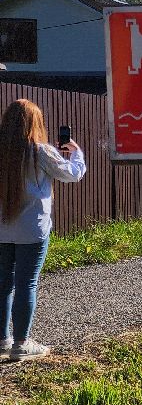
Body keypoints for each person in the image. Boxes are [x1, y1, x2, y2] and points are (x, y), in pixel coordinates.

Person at [0, 99, 86, 360]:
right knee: (27, 282)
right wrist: (76, 151)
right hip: (33, 230)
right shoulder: (41, 152)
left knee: (3, 284)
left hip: (2, 230)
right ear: (35, 123)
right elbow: (72, 174)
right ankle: (22, 343)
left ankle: (3, 339)